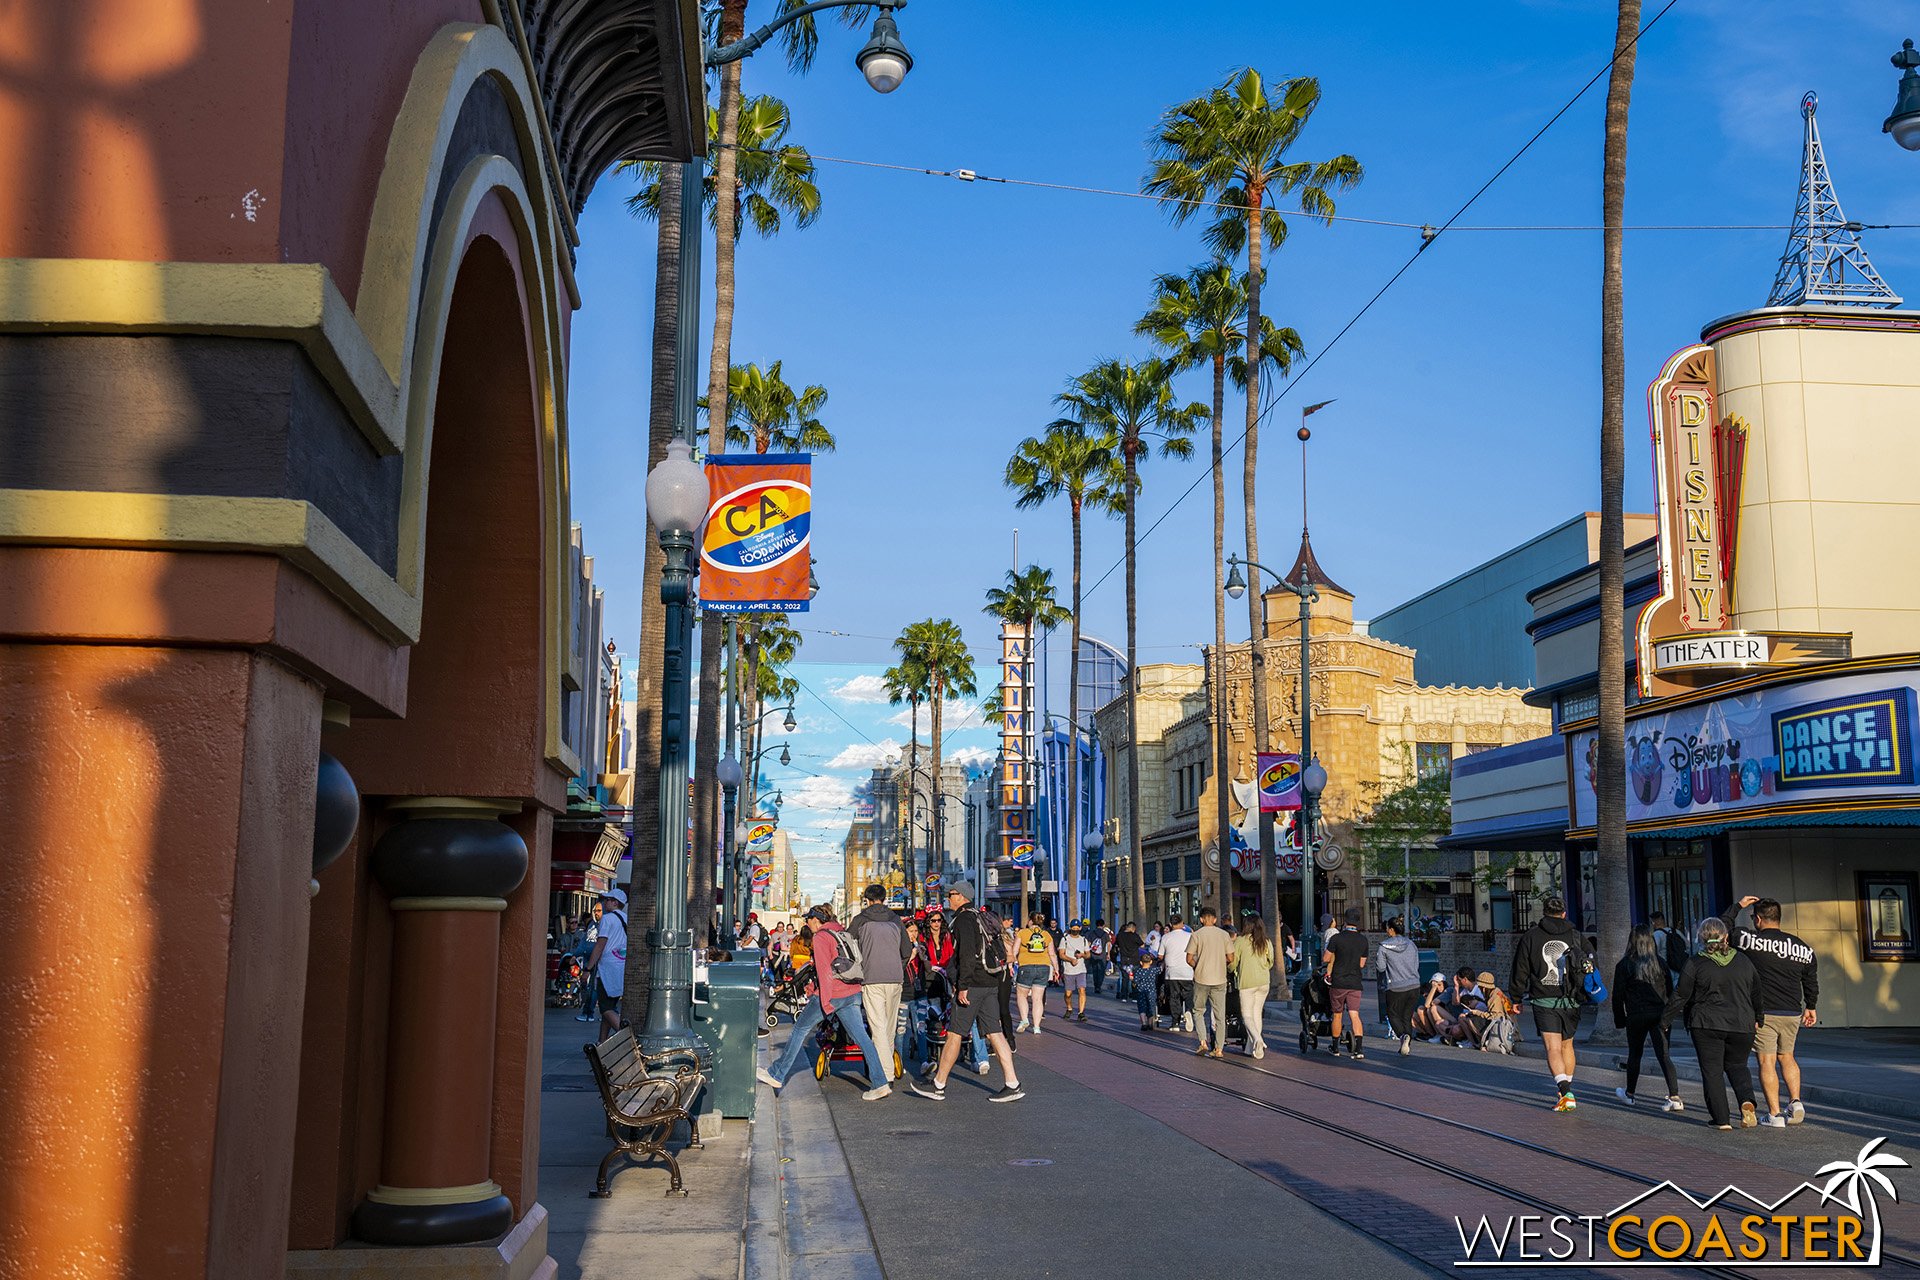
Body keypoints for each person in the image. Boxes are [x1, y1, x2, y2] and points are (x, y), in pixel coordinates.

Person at [758, 905, 892, 1101]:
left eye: (808, 919)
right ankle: (880, 1083)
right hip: (852, 991)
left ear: (816, 919)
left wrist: (826, 1001)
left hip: (833, 994)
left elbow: (824, 971)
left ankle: (776, 1074)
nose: (806, 923)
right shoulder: (840, 931)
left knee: (799, 1030)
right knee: (863, 1039)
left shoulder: (821, 937)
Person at [910, 884, 1023, 1102]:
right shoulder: (980, 916)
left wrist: (962, 986)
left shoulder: (963, 919)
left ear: (960, 897)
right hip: (990, 981)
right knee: (995, 1032)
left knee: (954, 1032)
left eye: (951, 895)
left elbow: (967, 955)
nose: (948, 898)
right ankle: (1012, 1083)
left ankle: (938, 1084)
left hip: (973, 985)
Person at [1723, 894, 1819, 1127]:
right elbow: (1810, 979)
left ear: (1757, 919)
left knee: (1766, 1061)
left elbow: (1723, 927)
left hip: (1763, 1012)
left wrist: (1737, 906)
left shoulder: (1750, 940)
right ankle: (1795, 1101)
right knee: (1787, 1056)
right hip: (1792, 1011)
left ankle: (1775, 1114)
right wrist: (1811, 1006)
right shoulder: (1802, 948)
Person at [1665, 917, 1763, 1130]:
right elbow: (1756, 992)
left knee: (1712, 1071)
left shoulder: (1695, 962)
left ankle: (1721, 1119)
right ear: (1726, 936)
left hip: (1706, 1023)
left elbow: (1681, 994)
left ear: (1701, 938)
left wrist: (1665, 1019)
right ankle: (1746, 1100)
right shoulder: (1744, 961)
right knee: (1738, 1065)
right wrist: (1759, 1018)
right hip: (1742, 1023)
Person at [1510, 895, 1590, 1111]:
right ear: (1564, 913)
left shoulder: (1531, 937)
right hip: (1572, 998)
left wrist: (1516, 998)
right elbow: (1591, 961)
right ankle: (1567, 1089)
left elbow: (1520, 969)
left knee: (1552, 1047)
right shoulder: (1576, 936)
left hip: (1544, 998)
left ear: (1544, 913)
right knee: (1567, 1045)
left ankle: (1565, 1093)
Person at [1612, 924, 1683, 1112]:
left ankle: (1630, 1094)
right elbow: (1669, 990)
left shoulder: (1624, 964)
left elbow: (1617, 996)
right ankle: (1674, 1096)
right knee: (1664, 1055)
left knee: (1635, 1054)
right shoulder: (1660, 963)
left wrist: (1620, 1020)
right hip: (1660, 1014)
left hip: (1636, 1015)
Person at [852, 884, 914, 1083]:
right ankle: (885, 1070)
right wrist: (898, 965)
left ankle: (884, 1075)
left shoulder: (860, 920)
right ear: (885, 899)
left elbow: (846, 946)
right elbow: (906, 950)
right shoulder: (896, 920)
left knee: (877, 1026)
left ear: (867, 900)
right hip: (895, 978)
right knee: (889, 1027)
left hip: (871, 978)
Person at [1322, 907, 1370, 1059]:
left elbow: (1326, 958)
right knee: (1354, 1015)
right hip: (1355, 982)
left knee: (1337, 1015)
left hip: (1339, 981)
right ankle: (1359, 1049)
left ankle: (1335, 1047)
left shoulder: (1337, 938)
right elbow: (1362, 964)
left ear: (1345, 920)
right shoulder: (1363, 940)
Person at [1186, 908, 1233, 1057]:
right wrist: (1220, 962)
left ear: (1201, 919)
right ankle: (1219, 1049)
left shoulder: (1196, 935)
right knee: (1220, 1015)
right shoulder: (1224, 935)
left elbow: (1188, 959)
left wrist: (1197, 965)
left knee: (1198, 1011)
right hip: (1220, 978)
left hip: (1201, 978)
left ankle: (1203, 1042)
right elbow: (1231, 958)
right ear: (1214, 919)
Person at [1375, 917, 1424, 1056]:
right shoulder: (1411, 944)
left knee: (1392, 1014)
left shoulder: (1384, 946)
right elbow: (1416, 963)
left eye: (1387, 928)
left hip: (1395, 985)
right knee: (1406, 1016)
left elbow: (1381, 967)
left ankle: (1403, 1036)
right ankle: (1406, 1043)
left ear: (1391, 929)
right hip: (1414, 984)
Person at [584, 889, 628, 1042]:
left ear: (615, 902)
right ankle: (602, 1042)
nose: (604, 902)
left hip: (607, 969)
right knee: (609, 1006)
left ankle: (627, 1038)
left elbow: (600, 945)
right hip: (621, 967)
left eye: (608, 899)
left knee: (605, 1008)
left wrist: (588, 968)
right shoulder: (626, 919)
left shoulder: (607, 919)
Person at [1231, 914, 1274, 1057]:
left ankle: (1257, 1039)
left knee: (1247, 1015)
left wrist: (1231, 970)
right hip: (1263, 981)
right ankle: (1252, 1048)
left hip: (1247, 982)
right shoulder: (1266, 941)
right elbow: (1271, 961)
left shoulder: (1241, 941)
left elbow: (1233, 962)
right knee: (1257, 1013)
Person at [1012, 916, 1057, 1034]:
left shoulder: (1022, 933)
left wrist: (1011, 964)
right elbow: (1052, 954)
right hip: (1043, 967)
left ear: (1030, 921)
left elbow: (1015, 950)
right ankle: (1037, 1027)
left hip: (1026, 966)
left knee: (1022, 995)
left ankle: (1024, 1019)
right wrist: (1056, 969)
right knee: (1037, 999)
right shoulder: (1047, 935)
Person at [1160, 914, 1195, 1033]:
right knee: (1189, 994)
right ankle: (1189, 1011)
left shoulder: (1165, 937)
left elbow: (1160, 955)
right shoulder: (1190, 936)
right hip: (1187, 970)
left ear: (1170, 924)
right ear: (1182, 923)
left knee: (1174, 997)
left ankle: (1175, 1022)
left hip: (1172, 971)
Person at [1058, 921, 1092, 1022]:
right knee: (1068, 993)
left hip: (1081, 969)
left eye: (1077, 928)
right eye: (1074, 928)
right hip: (1069, 970)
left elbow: (1088, 954)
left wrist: (1082, 955)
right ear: (1071, 928)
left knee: (1082, 990)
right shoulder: (1064, 939)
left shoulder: (1084, 940)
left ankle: (1081, 1012)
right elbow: (1061, 954)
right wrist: (1071, 959)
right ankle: (1069, 1008)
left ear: (1080, 928)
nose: (1075, 930)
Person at [1128, 936, 1162, 1032]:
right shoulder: (1153, 970)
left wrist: (1132, 979)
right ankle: (1151, 1023)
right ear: (1151, 962)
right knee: (1151, 1007)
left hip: (1141, 992)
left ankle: (1144, 1023)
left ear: (1141, 962)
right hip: (1151, 991)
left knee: (1142, 1007)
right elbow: (1160, 969)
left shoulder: (1138, 971)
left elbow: (1135, 981)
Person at [1113, 921, 1143, 1000]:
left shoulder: (1120, 935)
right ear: (1133, 928)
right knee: (1134, 978)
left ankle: (1124, 996)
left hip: (1124, 959)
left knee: (1125, 978)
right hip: (1134, 960)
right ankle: (1134, 997)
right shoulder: (1135, 936)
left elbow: (1116, 945)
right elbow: (1142, 944)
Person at [1087, 918, 1111, 996]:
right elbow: (1108, 945)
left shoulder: (1092, 933)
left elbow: (1089, 943)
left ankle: (1095, 985)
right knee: (1101, 971)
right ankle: (1099, 986)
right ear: (1103, 925)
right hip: (1102, 955)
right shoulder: (1105, 934)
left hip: (1093, 955)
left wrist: (1087, 952)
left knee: (1095, 970)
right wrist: (1108, 954)